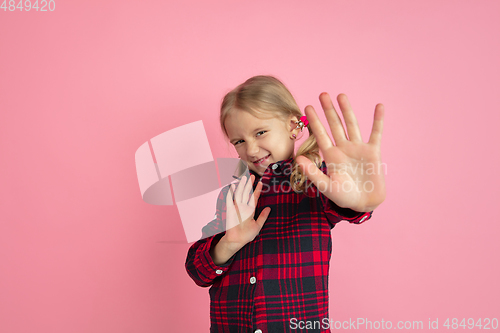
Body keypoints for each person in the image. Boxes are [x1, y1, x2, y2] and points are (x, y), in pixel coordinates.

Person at [185, 75, 386, 333]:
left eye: (260, 132)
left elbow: (348, 205)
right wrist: (229, 243)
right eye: (239, 141)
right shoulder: (232, 196)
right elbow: (198, 271)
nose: (252, 149)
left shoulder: (315, 182)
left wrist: (360, 201)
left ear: (293, 126)